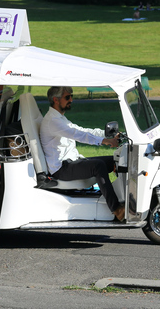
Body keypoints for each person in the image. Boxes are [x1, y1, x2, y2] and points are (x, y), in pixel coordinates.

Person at [39, 86, 124, 221]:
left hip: (72, 161)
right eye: (68, 97)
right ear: (56, 99)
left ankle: (125, 198)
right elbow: (78, 135)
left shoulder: (60, 119)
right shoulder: (53, 121)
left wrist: (108, 134)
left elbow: (82, 130)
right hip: (61, 169)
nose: (71, 99)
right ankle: (116, 209)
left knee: (116, 159)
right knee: (98, 166)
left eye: (71, 96)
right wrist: (105, 141)